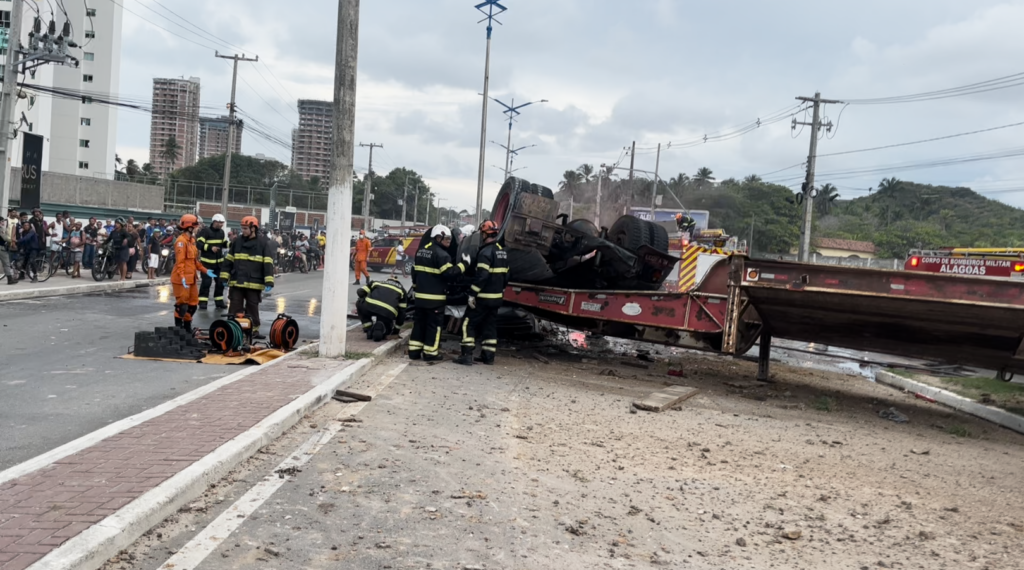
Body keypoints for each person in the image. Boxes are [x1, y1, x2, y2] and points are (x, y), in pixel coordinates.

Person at [409, 225, 468, 362]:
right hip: (435, 300)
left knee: (419, 324)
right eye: (446, 239)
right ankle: (430, 353)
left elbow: (415, 273)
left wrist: (416, 288)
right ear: (438, 237)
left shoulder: (421, 251)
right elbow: (450, 274)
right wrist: (464, 264)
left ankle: (414, 351)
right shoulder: (442, 255)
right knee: (433, 327)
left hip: (420, 299)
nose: (449, 241)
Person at [457, 221, 509, 366]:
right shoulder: (502, 252)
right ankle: (488, 357)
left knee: (468, 323)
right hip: (496, 299)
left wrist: (472, 294)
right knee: (490, 326)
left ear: (485, 234)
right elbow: (507, 275)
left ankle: (466, 355)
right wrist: (501, 289)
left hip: (483, 298)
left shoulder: (485, 252)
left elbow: (482, 276)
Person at [220, 216, 276, 338]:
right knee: (234, 307)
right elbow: (228, 261)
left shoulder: (263, 243)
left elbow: (268, 263)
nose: (243, 231)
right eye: (242, 228)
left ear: (253, 228)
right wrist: (224, 277)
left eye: (245, 228)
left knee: (252, 308)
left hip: (253, 283)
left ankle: (253, 331)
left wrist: (269, 281)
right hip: (237, 282)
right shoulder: (237, 242)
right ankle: (233, 331)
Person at [170, 214, 212, 332]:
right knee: (182, 305)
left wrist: (205, 270)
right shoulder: (181, 242)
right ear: (189, 227)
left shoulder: (192, 241)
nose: (198, 228)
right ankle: (178, 328)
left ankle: (187, 327)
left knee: (193, 304)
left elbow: (194, 261)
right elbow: (180, 262)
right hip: (181, 279)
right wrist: (182, 276)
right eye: (196, 225)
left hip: (191, 278)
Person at [356, 277, 408, 342]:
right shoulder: (402, 290)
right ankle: (382, 326)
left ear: (387, 280)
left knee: (359, 302)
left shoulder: (376, 282)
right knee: (387, 328)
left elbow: (359, 292)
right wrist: (396, 330)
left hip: (370, 306)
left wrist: (366, 297)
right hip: (387, 312)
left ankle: (368, 328)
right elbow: (402, 312)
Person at [196, 213, 229, 310]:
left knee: (220, 283)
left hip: (219, 264)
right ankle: (203, 302)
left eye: (222, 223)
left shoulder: (221, 232)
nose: (221, 225)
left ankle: (219, 302)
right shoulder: (205, 231)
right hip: (207, 263)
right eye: (220, 223)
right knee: (206, 283)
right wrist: (211, 248)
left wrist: (233, 244)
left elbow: (224, 243)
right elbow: (199, 244)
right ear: (214, 222)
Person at [0, 214, 15, 284]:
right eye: (2, 221)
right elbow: (5, 238)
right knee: (6, 263)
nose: (3, 223)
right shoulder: (1, 229)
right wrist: (13, 240)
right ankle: (10, 279)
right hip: (1, 248)